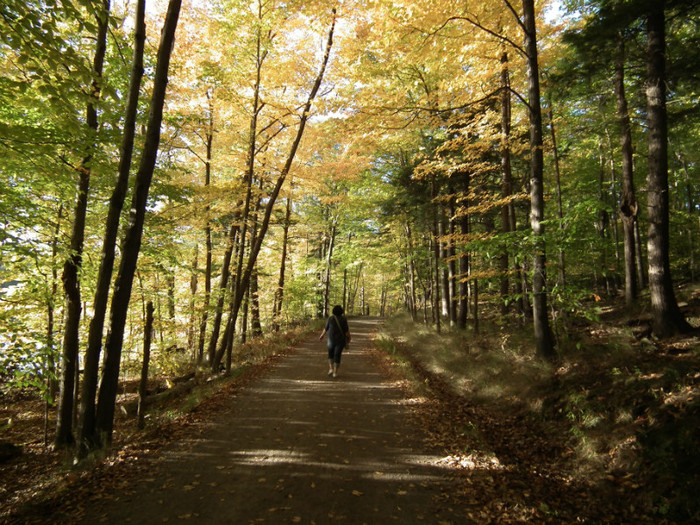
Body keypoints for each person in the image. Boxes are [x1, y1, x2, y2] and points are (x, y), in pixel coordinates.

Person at [319, 305, 351, 378]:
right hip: (340, 341)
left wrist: (322, 335)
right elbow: (346, 331)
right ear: (341, 311)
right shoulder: (343, 319)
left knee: (330, 354)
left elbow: (326, 328)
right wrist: (349, 337)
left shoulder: (330, 318)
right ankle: (335, 372)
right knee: (337, 355)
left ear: (333, 311)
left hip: (331, 339)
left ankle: (331, 368)